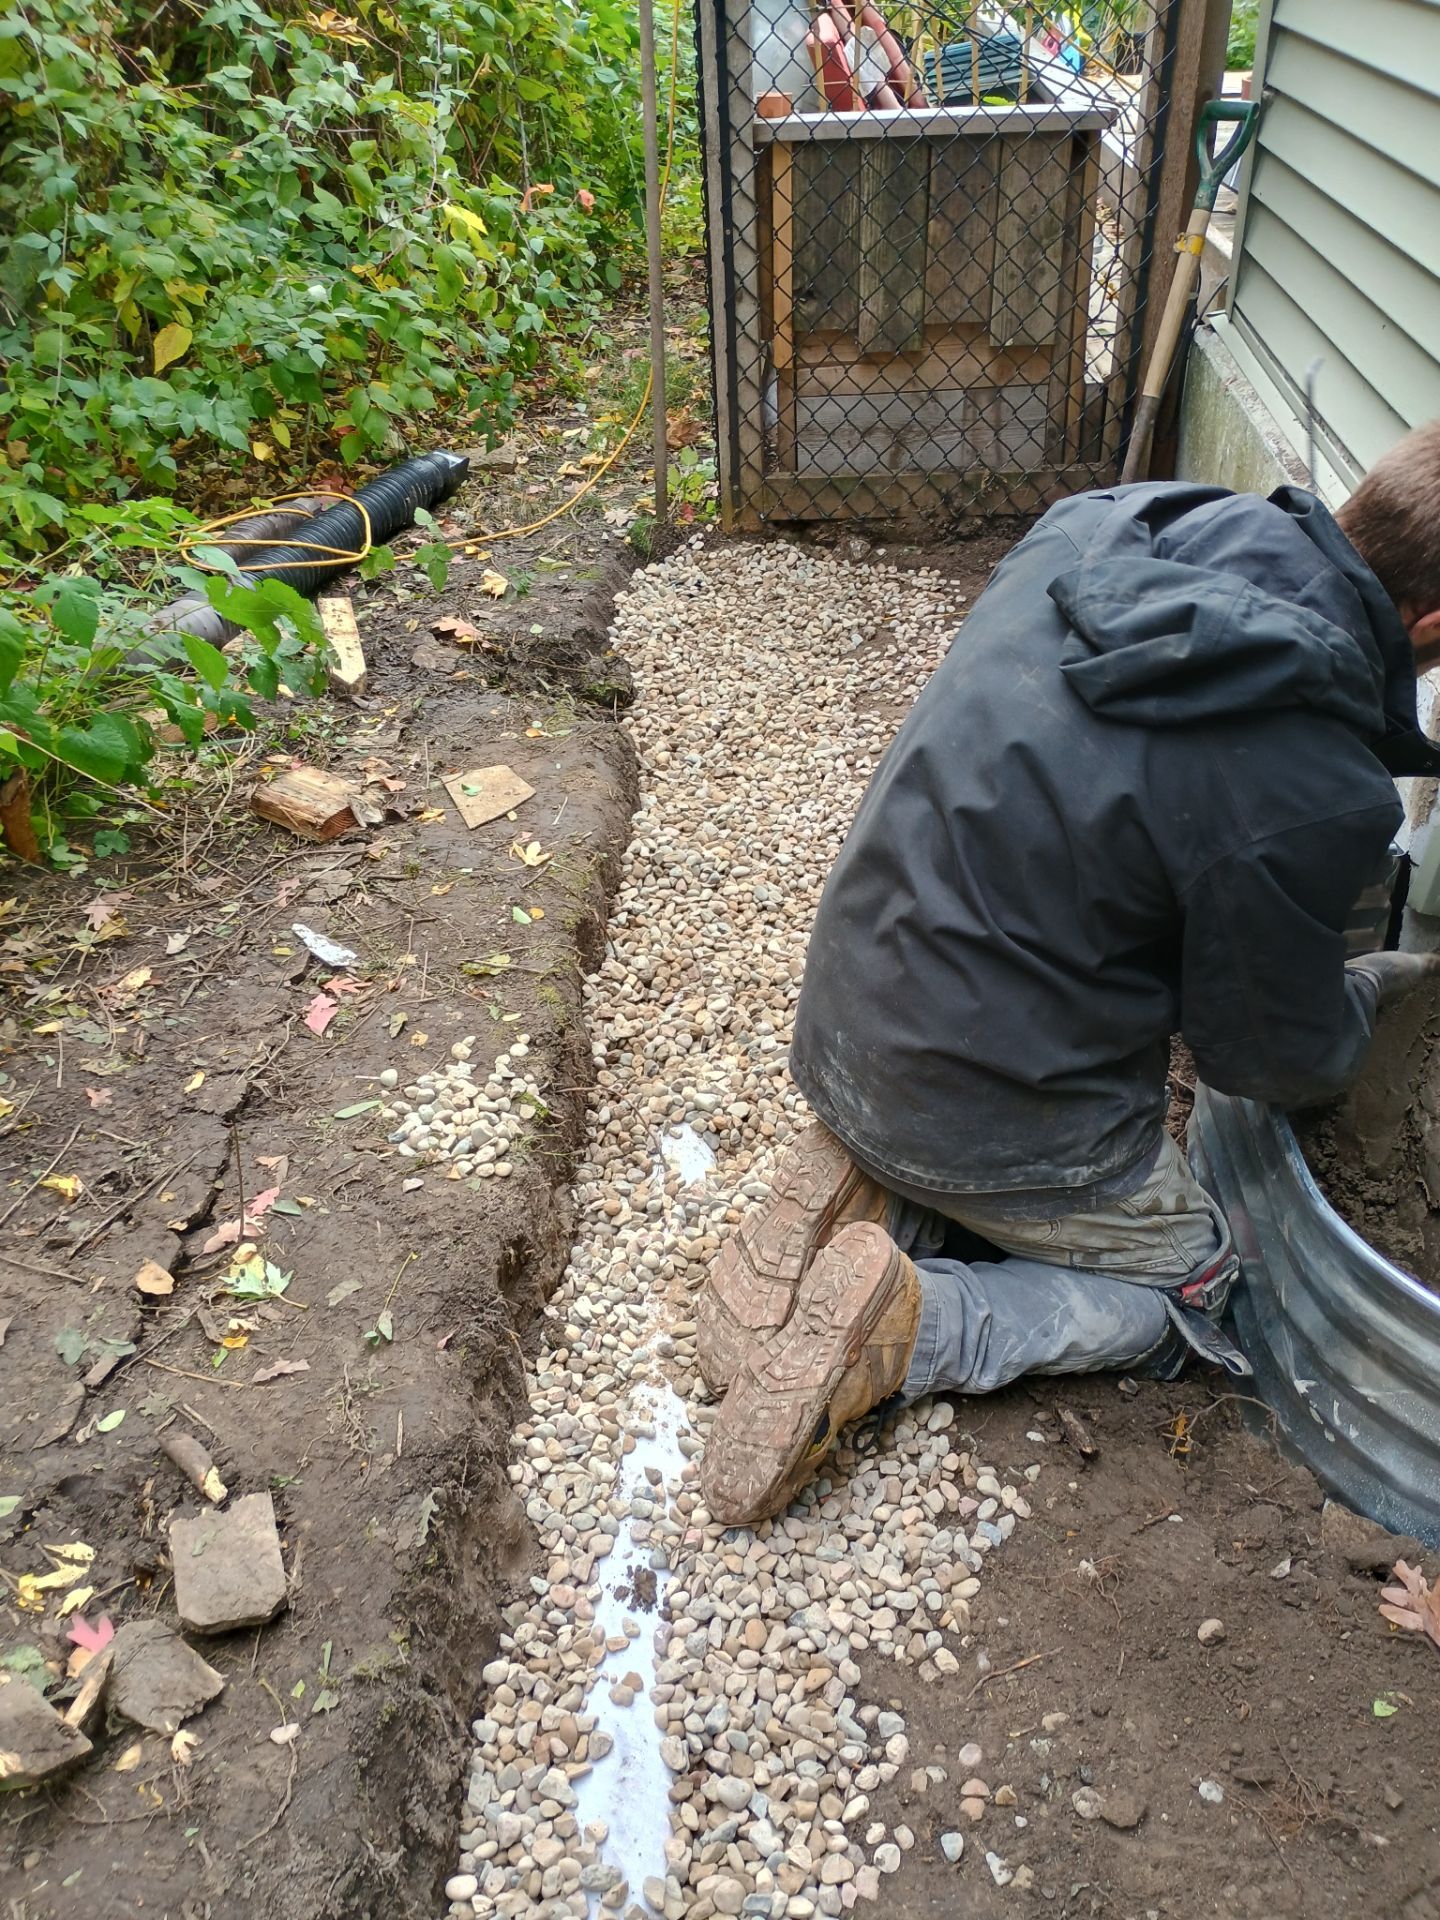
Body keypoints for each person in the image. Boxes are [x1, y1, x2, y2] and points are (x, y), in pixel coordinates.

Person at [697, 427, 1440, 1528]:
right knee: (1197, 1290)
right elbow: (1261, 1057)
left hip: (853, 998)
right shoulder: (1318, 781)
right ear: (1432, 630)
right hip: (988, 1100)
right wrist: (1354, 1002)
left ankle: (866, 1173)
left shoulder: (1122, 521)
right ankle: (913, 1318)